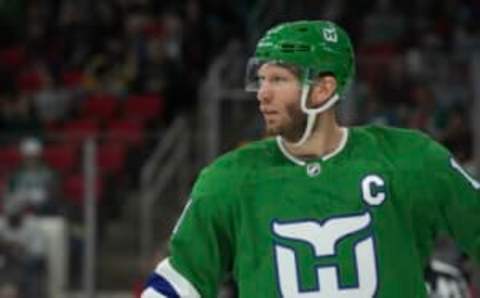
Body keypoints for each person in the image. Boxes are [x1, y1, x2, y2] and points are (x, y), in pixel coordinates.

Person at [141, 20, 479, 298]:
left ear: (323, 89)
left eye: (278, 79)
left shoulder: (410, 161)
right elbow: (180, 280)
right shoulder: (230, 179)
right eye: (261, 80)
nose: (263, 94)